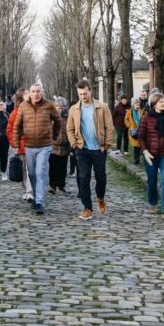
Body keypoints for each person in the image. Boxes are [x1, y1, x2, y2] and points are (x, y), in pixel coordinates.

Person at [66, 79, 115, 220]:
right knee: (83, 177)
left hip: (99, 148)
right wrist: (74, 144)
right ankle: (87, 207)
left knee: (101, 177)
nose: (83, 96)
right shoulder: (74, 109)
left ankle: (100, 197)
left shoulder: (102, 107)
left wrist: (107, 145)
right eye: (80, 94)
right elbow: (69, 128)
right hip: (82, 149)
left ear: (90, 91)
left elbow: (109, 127)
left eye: (85, 93)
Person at [12, 82, 61, 215]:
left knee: (40, 172)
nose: (36, 94)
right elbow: (16, 126)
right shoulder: (23, 106)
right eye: (33, 91)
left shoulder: (49, 105)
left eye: (38, 91)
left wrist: (54, 136)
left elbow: (58, 121)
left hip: (44, 146)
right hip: (29, 146)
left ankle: (39, 201)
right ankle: (34, 196)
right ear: (30, 93)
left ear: (42, 92)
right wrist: (16, 144)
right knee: (32, 174)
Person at [137, 90, 164, 221]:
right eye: (160, 102)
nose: (163, 103)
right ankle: (152, 203)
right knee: (152, 181)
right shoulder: (146, 118)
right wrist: (145, 152)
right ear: (154, 104)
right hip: (150, 155)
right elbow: (140, 136)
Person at [6, 89, 30, 200]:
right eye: (26, 93)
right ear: (21, 97)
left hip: (34, 144)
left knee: (32, 170)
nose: (29, 95)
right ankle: (26, 190)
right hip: (21, 145)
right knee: (24, 170)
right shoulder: (15, 113)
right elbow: (9, 130)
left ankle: (30, 191)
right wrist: (15, 144)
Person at [49, 96, 71, 195]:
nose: (60, 109)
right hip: (53, 146)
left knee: (63, 168)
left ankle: (61, 186)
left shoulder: (68, 117)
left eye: (62, 107)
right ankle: (52, 186)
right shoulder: (51, 116)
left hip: (64, 146)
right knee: (53, 167)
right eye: (58, 107)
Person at [124, 97, 144, 165]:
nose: (138, 105)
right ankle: (136, 160)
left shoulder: (142, 111)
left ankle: (144, 159)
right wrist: (129, 125)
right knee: (136, 146)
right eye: (136, 103)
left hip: (141, 130)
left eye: (138, 103)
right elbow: (126, 119)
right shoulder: (129, 112)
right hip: (133, 131)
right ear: (133, 104)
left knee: (142, 145)